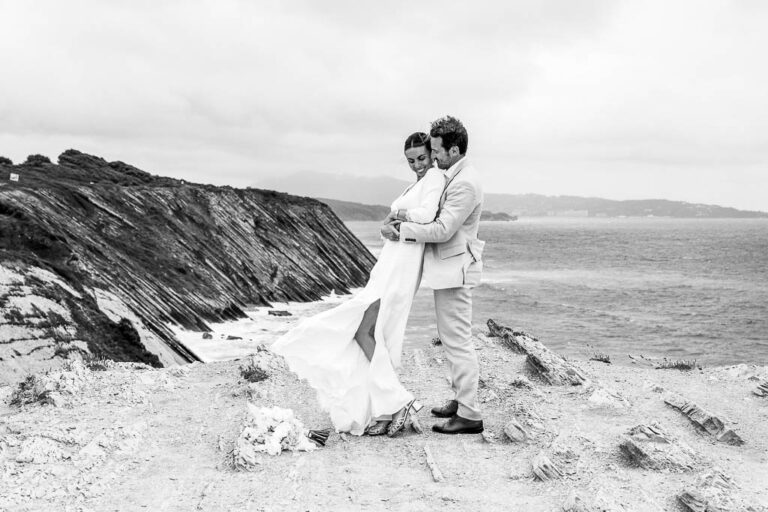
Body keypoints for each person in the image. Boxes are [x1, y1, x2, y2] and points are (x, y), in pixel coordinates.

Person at [271, 132, 445, 436]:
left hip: (402, 265)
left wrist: (397, 215)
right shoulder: (417, 183)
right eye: (411, 160)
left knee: (366, 329)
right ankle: (387, 405)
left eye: (421, 158)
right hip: (390, 261)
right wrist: (386, 227)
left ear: (432, 155)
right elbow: (401, 223)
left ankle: (397, 402)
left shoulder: (433, 178)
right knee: (373, 333)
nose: (417, 165)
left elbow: (427, 215)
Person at [381, 115, 485, 435]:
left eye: (437, 151)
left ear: (454, 150)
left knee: (457, 342)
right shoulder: (453, 175)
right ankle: (460, 399)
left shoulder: (465, 182)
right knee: (451, 337)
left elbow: (442, 229)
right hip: (448, 269)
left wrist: (401, 232)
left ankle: (469, 414)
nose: (434, 157)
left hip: (455, 271)